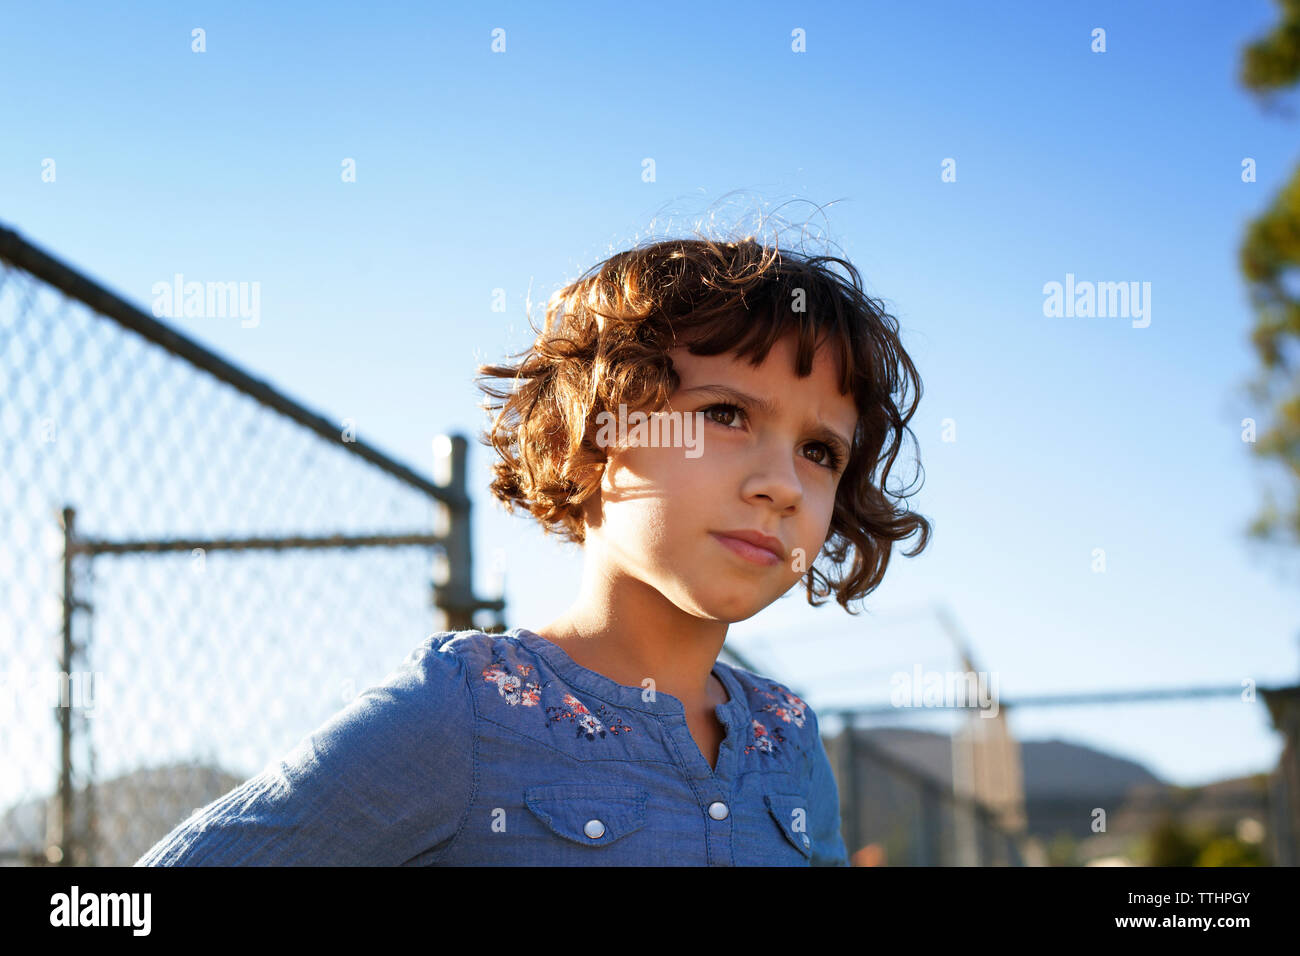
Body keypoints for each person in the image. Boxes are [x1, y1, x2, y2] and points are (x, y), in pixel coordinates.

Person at [135, 231, 930, 866]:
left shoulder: (788, 737)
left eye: (820, 451)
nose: (783, 483)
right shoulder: (466, 708)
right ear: (594, 435)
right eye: (725, 414)